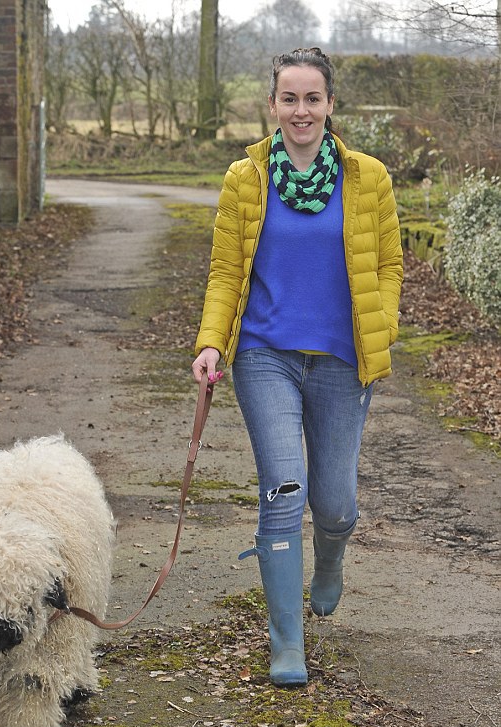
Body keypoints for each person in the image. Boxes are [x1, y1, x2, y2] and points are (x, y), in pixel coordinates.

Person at [192, 47, 403, 688]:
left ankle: (331, 560)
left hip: (342, 361)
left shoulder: (369, 178)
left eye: (313, 98)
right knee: (284, 493)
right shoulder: (245, 179)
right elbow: (228, 273)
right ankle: (287, 641)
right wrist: (211, 342)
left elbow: (390, 267)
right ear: (273, 104)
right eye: (290, 98)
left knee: (335, 504)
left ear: (331, 105)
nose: (302, 110)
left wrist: (382, 326)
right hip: (265, 358)